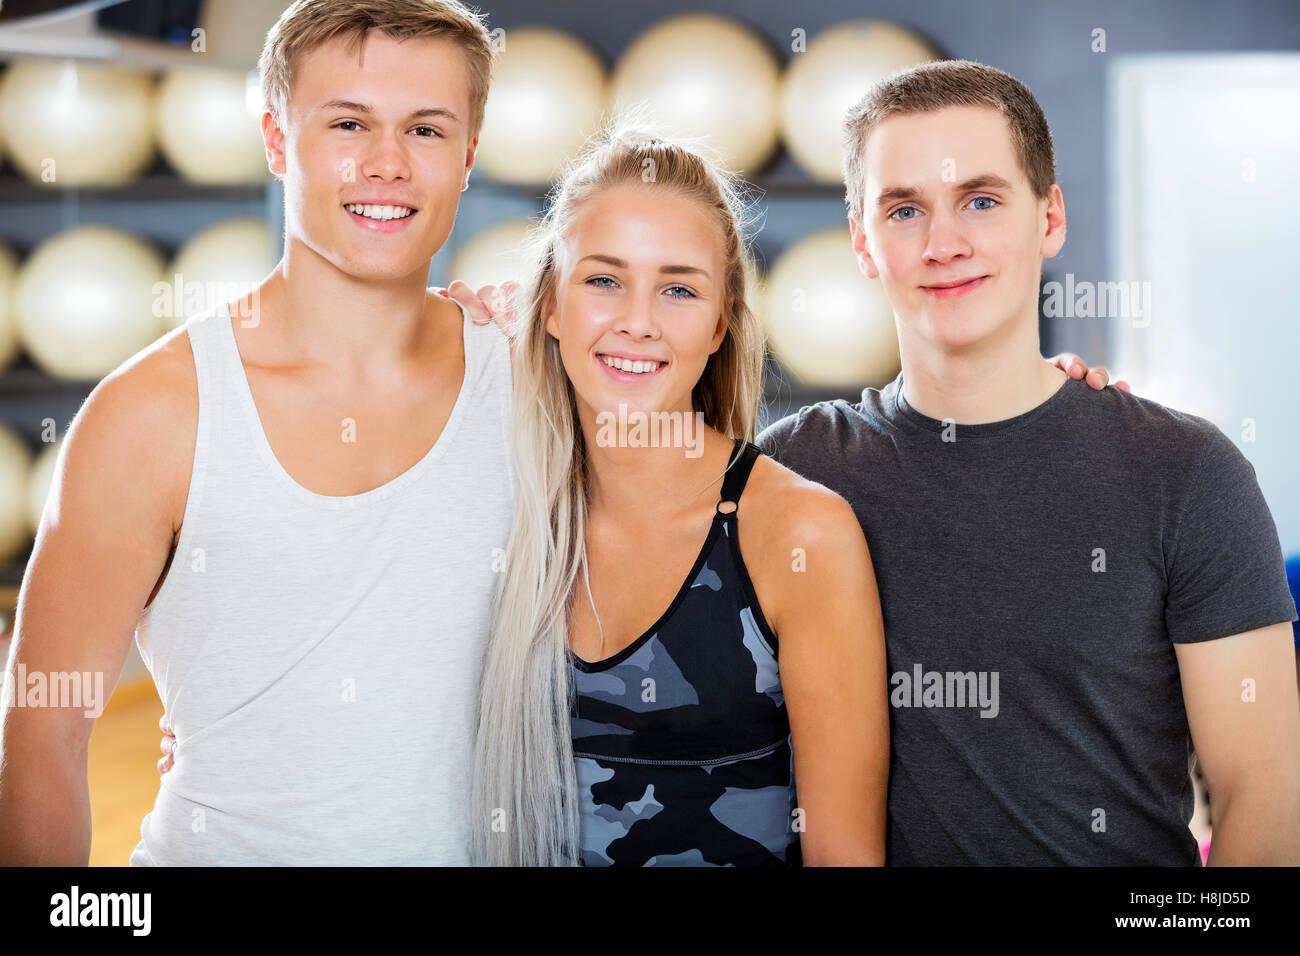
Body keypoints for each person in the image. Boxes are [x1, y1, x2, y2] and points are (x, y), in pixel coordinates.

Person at [0, 0, 511, 865]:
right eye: (348, 123)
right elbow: (44, 734)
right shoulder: (151, 416)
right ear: (276, 140)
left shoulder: (533, 379)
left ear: (467, 155)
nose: (387, 163)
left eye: (426, 131)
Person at [756, 59, 1300, 864]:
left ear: (1049, 218)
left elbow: (1267, 795)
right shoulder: (792, 472)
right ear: (862, 243)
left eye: (981, 200)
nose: (945, 244)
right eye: (904, 210)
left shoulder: (1186, 473)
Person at [467, 124, 890, 866]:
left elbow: (845, 856)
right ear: (551, 308)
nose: (637, 320)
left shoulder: (798, 534)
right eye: (602, 280)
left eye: (678, 289)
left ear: (722, 320)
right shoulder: (494, 509)